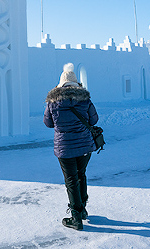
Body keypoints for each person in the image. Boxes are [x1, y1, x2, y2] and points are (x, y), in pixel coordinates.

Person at [44, 63, 99, 231]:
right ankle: (82, 210)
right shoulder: (85, 100)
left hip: (65, 148)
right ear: (76, 84)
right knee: (81, 174)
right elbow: (94, 120)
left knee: (71, 180)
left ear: (60, 85)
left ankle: (76, 217)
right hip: (84, 146)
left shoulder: (53, 102)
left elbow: (48, 123)